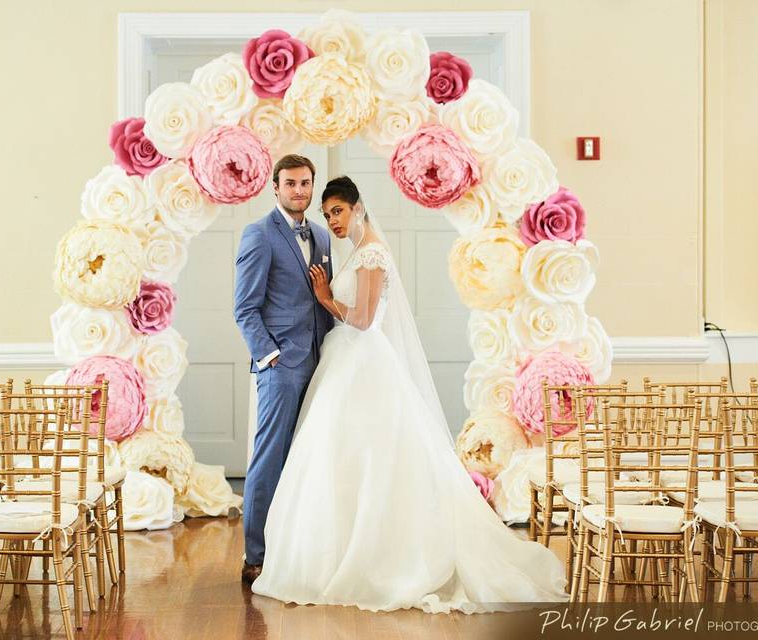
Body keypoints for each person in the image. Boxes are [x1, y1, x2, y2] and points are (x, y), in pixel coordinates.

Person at [250, 176, 569, 613]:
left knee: (372, 459)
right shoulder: (359, 251)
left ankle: (379, 557)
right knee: (341, 459)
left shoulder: (374, 252)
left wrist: (325, 298)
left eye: (338, 211)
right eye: (327, 215)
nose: (332, 221)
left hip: (363, 360)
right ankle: (333, 550)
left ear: (358, 207)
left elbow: (361, 320)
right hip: (345, 362)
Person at [233, 154, 334, 585]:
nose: (298, 190)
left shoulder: (324, 236)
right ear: (275, 187)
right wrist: (270, 357)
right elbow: (245, 308)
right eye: (290, 183)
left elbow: (321, 298)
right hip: (282, 366)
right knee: (269, 459)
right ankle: (255, 555)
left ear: (313, 186)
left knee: (310, 460)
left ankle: (298, 549)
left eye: (305, 183)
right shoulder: (259, 235)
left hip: (322, 362)